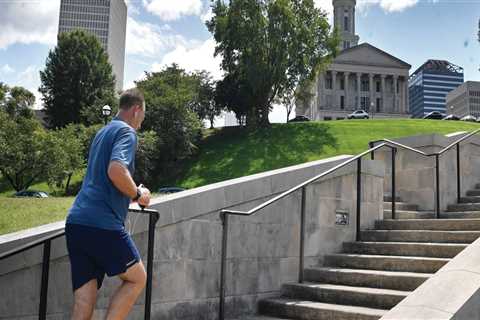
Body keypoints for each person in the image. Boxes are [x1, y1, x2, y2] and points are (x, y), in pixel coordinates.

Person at [65, 88, 152, 320]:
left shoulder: (102, 132)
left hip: (76, 222)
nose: (141, 123)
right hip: (101, 224)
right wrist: (138, 193)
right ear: (136, 110)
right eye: (142, 116)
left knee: (84, 300)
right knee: (137, 278)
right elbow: (116, 170)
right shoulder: (127, 132)